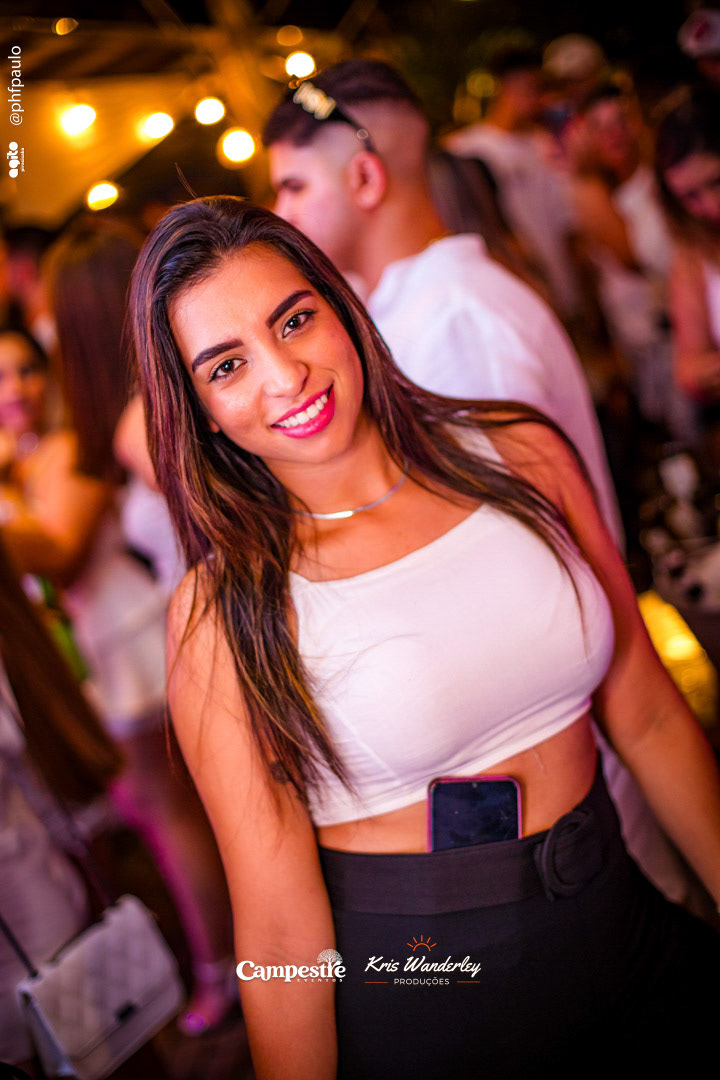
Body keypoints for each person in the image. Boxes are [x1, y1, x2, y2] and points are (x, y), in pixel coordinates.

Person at [128, 195, 720, 1079]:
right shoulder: (225, 611)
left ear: (341, 307)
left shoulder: (518, 453)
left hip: (626, 923)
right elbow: (279, 926)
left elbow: (649, 713)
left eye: (294, 320)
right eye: (228, 365)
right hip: (430, 990)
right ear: (202, 410)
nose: (285, 375)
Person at [262, 59, 709, 905]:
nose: (279, 215)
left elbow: (521, 589)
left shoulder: (456, 324)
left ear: (364, 178)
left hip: (580, 799)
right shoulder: (414, 312)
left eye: (292, 186)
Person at [0, 220, 234, 1035]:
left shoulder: (109, 432)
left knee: (173, 815)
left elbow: (62, 551)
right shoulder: (80, 436)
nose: (21, 380)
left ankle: (224, 970)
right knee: (176, 810)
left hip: (150, 630)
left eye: (30, 361)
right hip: (139, 630)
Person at [444, 46, 580, 319]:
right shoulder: (465, 149)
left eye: (538, 87)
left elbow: (569, 228)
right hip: (511, 299)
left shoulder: (546, 146)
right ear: (505, 86)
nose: (536, 98)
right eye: (528, 86)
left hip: (563, 293)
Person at [655, 87, 720, 433]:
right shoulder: (692, 257)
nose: (711, 206)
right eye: (690, 196)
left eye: (717, 182)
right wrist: (699, 375)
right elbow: (688, 370)